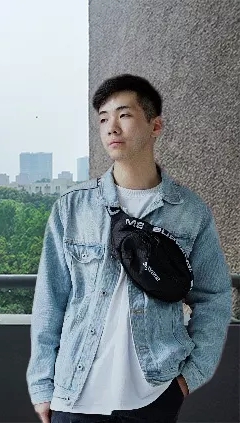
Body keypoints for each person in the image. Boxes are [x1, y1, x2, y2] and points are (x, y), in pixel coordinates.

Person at [26, 74, 232, 423]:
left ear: (155, 125)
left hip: (154, 395)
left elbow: (214, 296)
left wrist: (190, 376)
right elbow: (51, 299)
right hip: (74, 396)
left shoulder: (189, 212)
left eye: (124, 115)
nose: (111, 127)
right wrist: (42, 385)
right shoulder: (72, 208)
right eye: (103, 119)